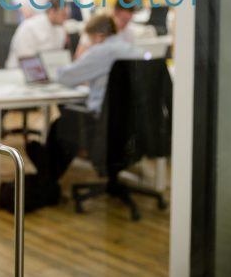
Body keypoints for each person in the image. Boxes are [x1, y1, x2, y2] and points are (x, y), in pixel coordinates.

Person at [28, 14, 145, 193]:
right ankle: (48, 176)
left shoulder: (100, 51)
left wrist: (81, 56)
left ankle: (47, 178)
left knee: (60, 125)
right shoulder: (133, 51)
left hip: (102, 123)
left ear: (98, 35)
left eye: (90, 39)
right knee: (68, 122)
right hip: (130, 125)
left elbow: (66, 77)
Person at [5, 0, 68, 68]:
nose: (66, 18)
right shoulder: (30, 27)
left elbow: (57, 56)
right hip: (21, 70)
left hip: (47, 70)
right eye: (63, 15)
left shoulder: (60, 29)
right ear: (52, 11)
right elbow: (25, 58)